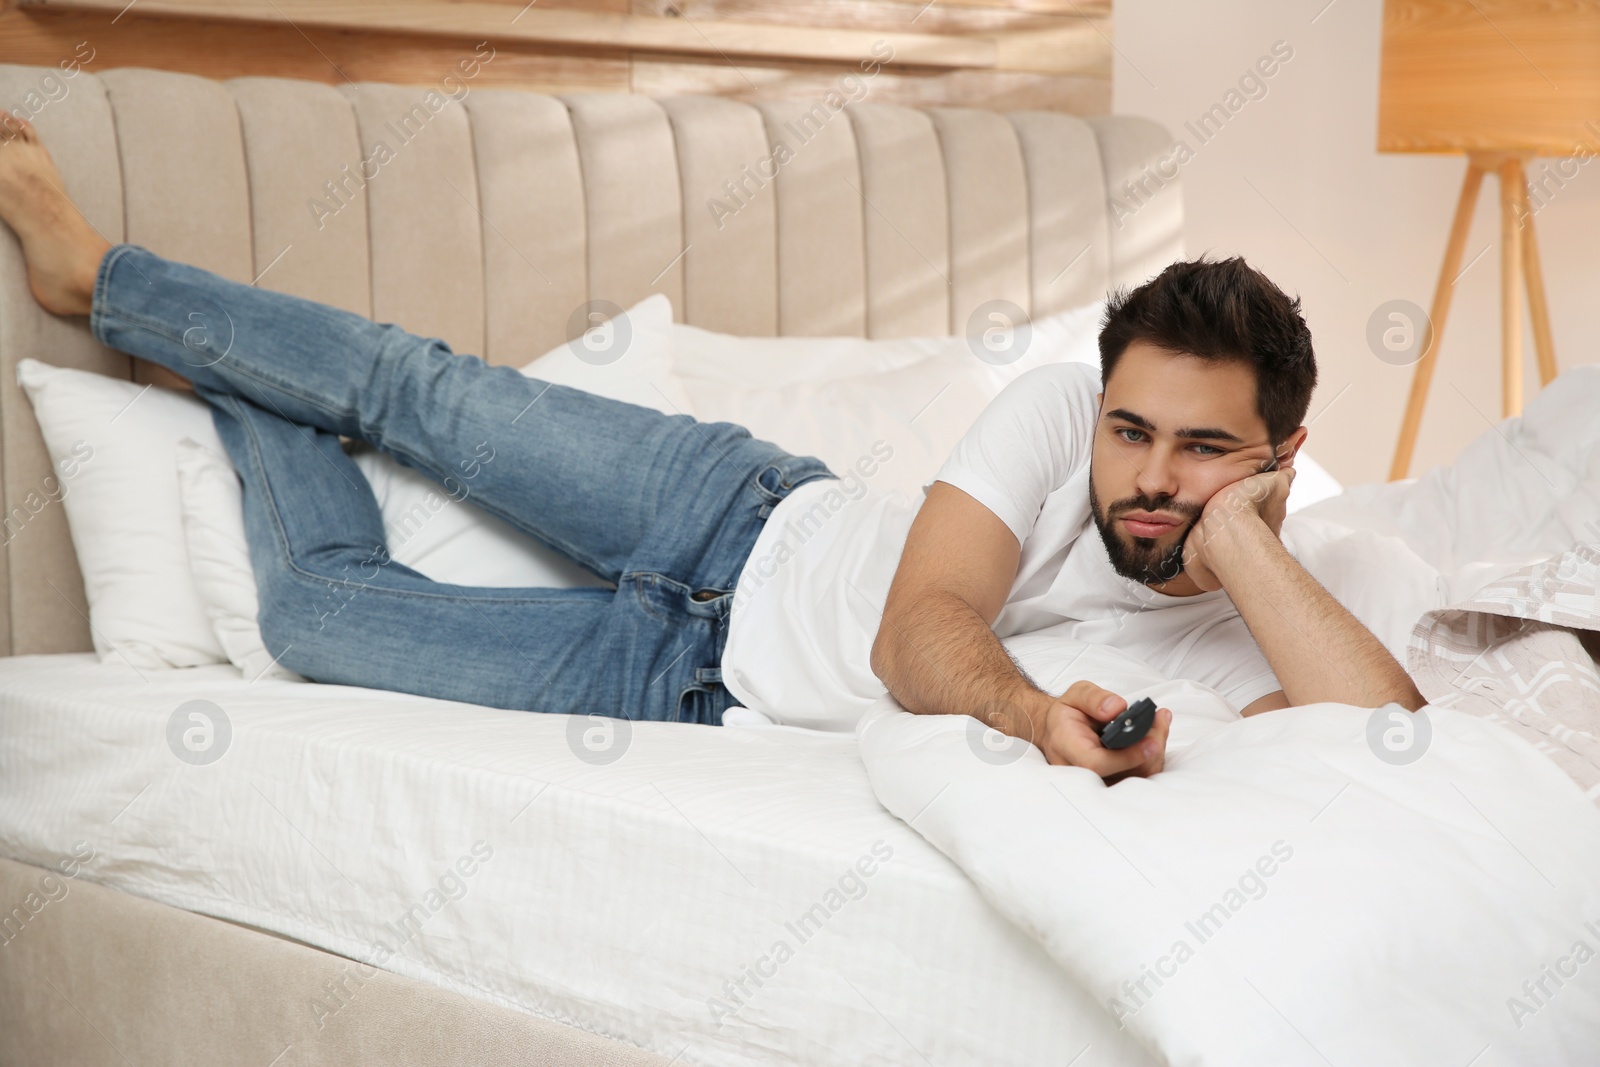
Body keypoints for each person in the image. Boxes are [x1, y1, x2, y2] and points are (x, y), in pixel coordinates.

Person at [0, 108, 1424, 783]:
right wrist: (1022, 714)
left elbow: (1392, 738)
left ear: (1283, 451)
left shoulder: (1270, 619)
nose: (1152, 478)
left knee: (312, 615)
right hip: (733, 520)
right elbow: (916, 631)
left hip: (686, 687)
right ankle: (108, 282)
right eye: (1134, 433)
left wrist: (1240, 539)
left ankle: (225, 373)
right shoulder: (1060, 412)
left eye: (1202, 450)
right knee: (412, 392)